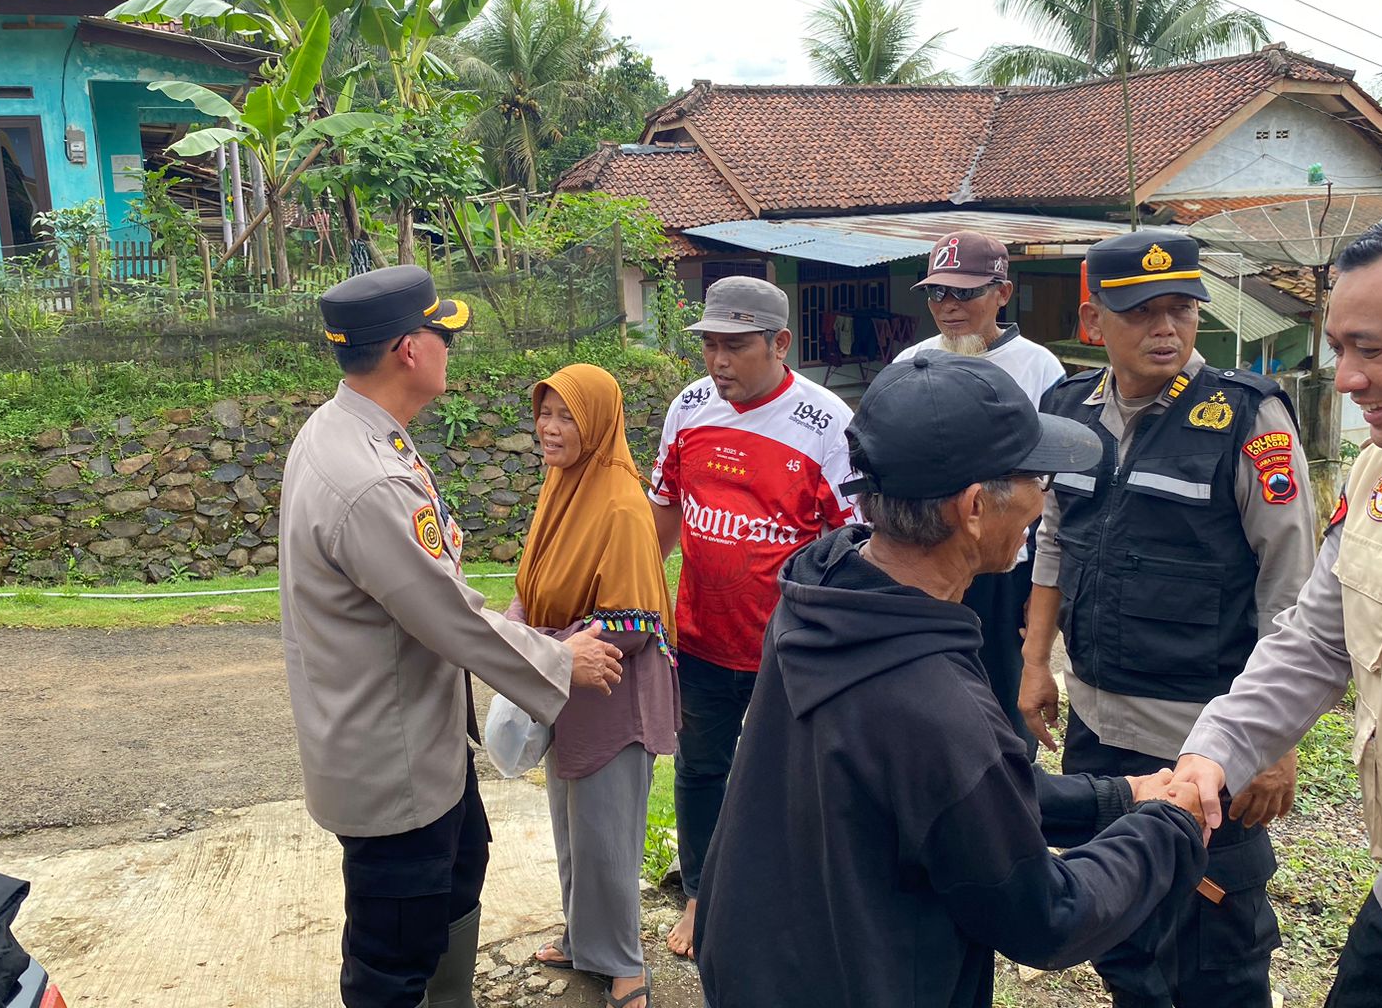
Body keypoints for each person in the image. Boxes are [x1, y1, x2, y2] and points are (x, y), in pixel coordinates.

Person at [695, 353, 1210, 1007]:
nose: (1042, 498)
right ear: (973, 508)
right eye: (1035, 477)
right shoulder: (933, 704)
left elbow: (958, 799)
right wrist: (1167, 826)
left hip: (757, 965)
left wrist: (1119, 797)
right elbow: (1044, 917)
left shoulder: (823, 592)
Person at [279, 265, 625, 1008]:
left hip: (416, 738)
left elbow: (428, 586)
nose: (448, 348)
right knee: (391, 954)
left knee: (459, 871)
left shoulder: (354, 433)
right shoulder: (366, 477)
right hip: (390, 760)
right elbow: (446, 614)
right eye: (442, 333)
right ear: (409, 350)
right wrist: (559, 658)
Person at [1172, 208, 1382, 1008]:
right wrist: (1217, 750)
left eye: (1371, 350)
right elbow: (1313, 639)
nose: (1344, 379)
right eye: (1340, 348)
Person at [1019, 230, 1317, 1008]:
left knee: (1217, 944)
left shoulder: (1250, 417)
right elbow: (1054, 539)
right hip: (1097, 724)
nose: (1166, 330)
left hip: (1207, 739)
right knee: (1118, 925)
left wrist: (1277, 745)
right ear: (1094, 322)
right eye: (1142, 311)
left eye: (1181, 310)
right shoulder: (1067, 410)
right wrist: (1033, 663)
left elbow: (1294, 588)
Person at [647, 275, 857, 959]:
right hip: (703, 633)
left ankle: (784, 893)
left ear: (780, 343)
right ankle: (704, 891)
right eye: (710, 345)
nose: (719, 362)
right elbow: (666, 509)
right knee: (702, 767)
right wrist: (644, 596)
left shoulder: (828, 424)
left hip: (789, 648)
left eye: (736, 346)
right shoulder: (691, 406)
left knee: (794, 777)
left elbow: (856, 545)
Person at [507, 364, 679, 1008]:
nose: (549, 429)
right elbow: (536, 580)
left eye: (565, 417)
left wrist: (538, 645)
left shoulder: (620, 503)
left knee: (608, 835)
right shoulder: (563, 484)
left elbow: (633, 623)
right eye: (544, 413)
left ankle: (625, 962)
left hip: (611, 692)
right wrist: (519, 625)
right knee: (571, 824)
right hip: (564, 683)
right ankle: (584, 942)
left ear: (599, 422)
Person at [895, 229, 1066, 756]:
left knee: (1003, 701)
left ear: (1003, 293)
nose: (948, 306)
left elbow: (1055, 488)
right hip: (927, 561)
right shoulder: (911, 364)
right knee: (925, 697)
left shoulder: (1041, 370)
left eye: (965, 292)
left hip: (1005, 569)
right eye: (937, 292)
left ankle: (1010, 814)